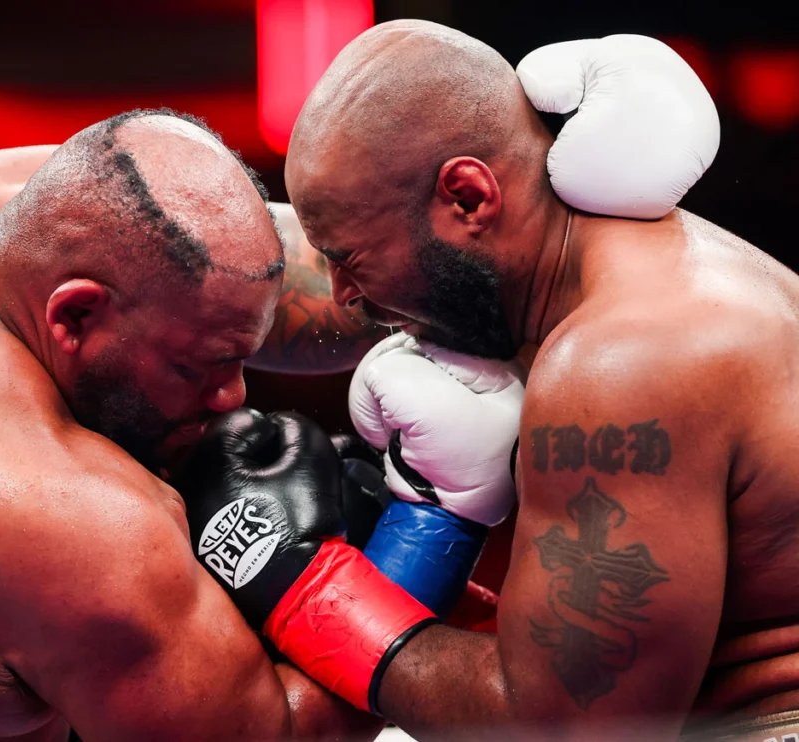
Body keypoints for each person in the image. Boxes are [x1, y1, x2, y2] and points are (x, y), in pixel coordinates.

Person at [173, 20, 799, 742]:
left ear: (469, 198)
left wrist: (301, 585)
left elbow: (566, 731)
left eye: (349, 257)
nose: (342, 294)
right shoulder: (653, 274)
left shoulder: (619, 362)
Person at [0, 109, 386, 741]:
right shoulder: (65, 516)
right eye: (197, 366)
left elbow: (241, 267)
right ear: (74, 316)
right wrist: (410, 543)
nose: (235, 396)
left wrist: (472, 307)